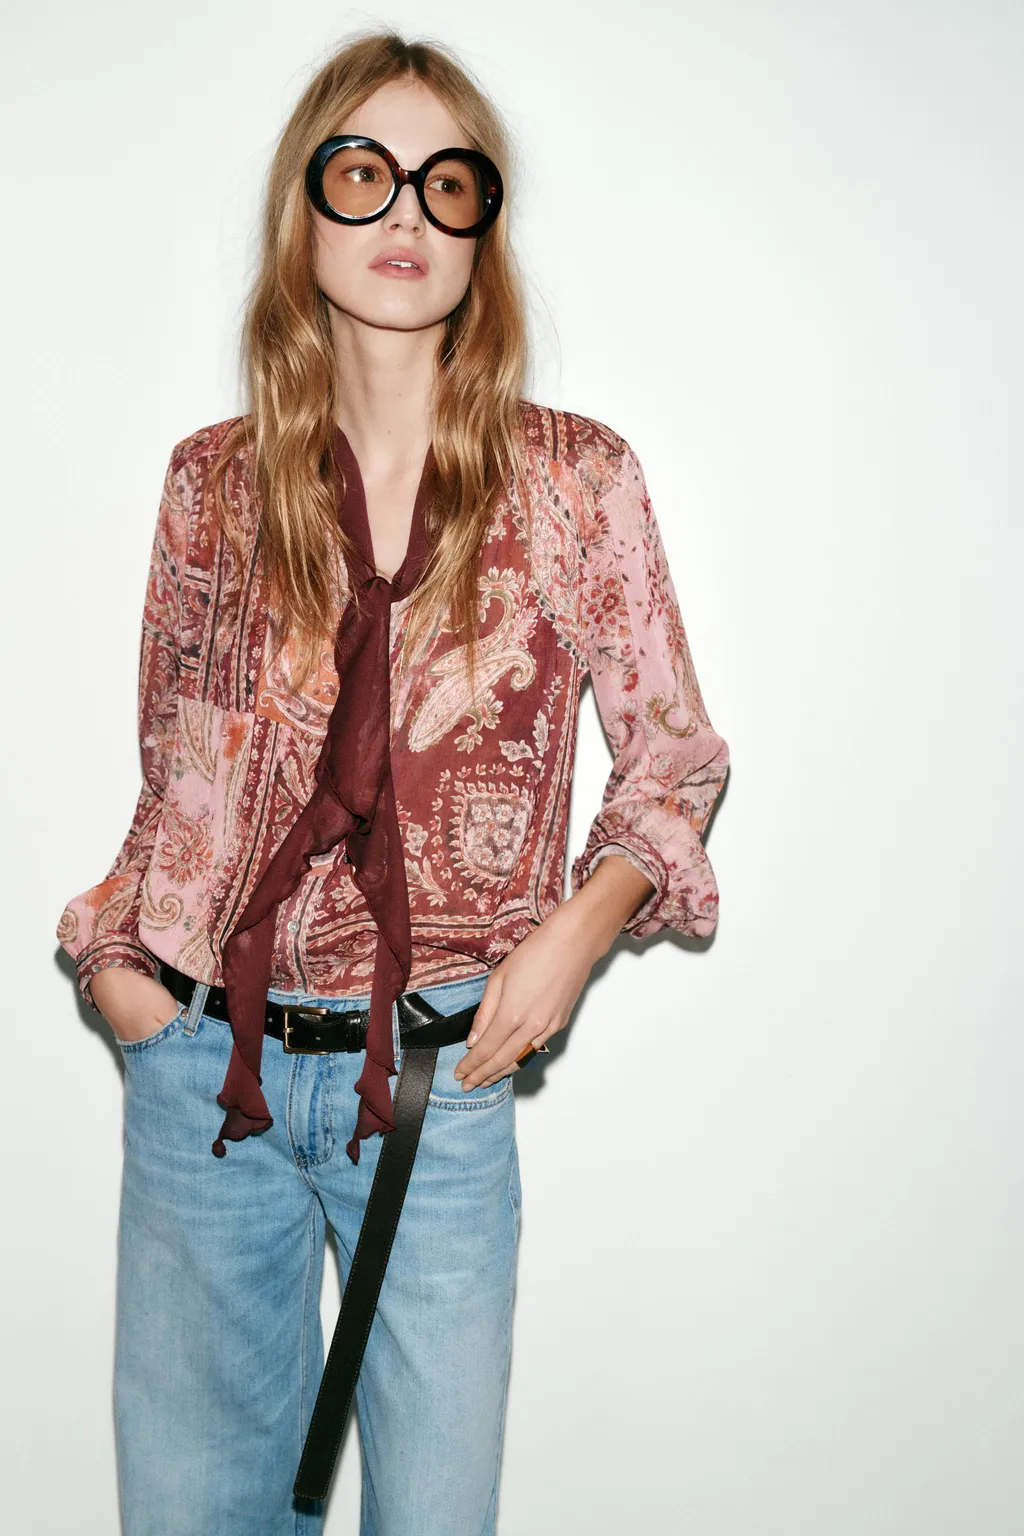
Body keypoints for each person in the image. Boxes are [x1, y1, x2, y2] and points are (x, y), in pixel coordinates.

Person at [56, 27, 729, 1536]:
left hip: (434, 1081)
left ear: (484, 228)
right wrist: (123, 979)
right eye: (363, 174)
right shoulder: (211, 485)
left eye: (448, 181)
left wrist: (570, 939)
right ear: (304, 217)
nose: (407, 212)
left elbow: (674, 760)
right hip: (206, 1078)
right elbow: (177, 779)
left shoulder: (574, 482)